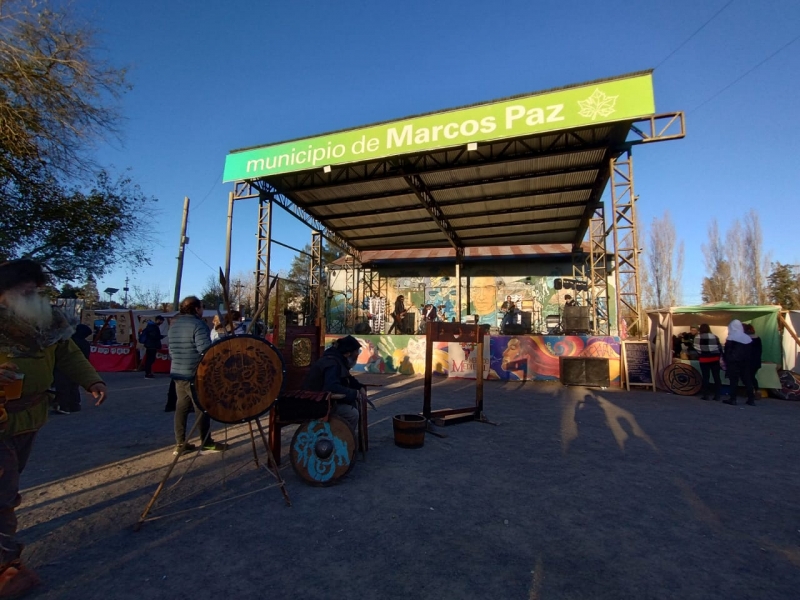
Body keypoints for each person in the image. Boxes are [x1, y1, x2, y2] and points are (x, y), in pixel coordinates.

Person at [0, 260, 107, 597]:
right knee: (2, 492)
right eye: (26, 290)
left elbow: (67, 352)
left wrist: (91, 380)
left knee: (8, 488)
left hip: (29, 416)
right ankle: (5, 566)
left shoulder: (47, 318)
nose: (35, 295)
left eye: (37, 289)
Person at [169, 296, 228, 454]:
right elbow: (205, 350)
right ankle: (206, 442)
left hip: (177, 372)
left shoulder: (174, 325)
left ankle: (180, 444)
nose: (202, 310)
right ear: (196, 309)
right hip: (194, 373)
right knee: (201, 407)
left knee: (181, 407)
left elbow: (171, 349)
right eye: (201, 307)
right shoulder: (197, 324)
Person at [301, 335, 366, 439]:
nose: (357, 355)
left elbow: (347, 377)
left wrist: (359, 387)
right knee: (352, 414)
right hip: (316, 404)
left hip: (323, 402)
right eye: (356, 352)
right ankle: (341, 443)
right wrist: (354, 394)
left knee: (354, 405)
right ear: (348, 353)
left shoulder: (337, 359)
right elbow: (331, 387)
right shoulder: (332, 363)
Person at [52, 324, 94, 413]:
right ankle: (75, 404)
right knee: (74, 387)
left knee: (63, 387)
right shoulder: (85, 343)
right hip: (78, 369)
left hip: (64, 368)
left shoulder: (72, 342)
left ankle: (63, 406)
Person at [722, 320, 756, 406]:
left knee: (733, 381)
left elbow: (727, 352)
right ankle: (751, 399)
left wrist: (727, 361)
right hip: (745, 363)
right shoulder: (747, 338)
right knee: (747, 380)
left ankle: (733, 399)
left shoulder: (731, 337)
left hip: (733, 363)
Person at [694, 323, 722, 401]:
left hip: (704, 359)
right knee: (716, 377)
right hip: (715, 359)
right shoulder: (715, 337)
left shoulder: (697, 337)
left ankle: (706, 395)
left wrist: (702, 353)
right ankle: (717, 395)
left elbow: (696, 347)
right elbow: (719, 347)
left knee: (706, 377)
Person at [742, 323, 762, 399]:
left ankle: (750, 391)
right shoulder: (758, 338)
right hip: (756, 361)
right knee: (752, 376)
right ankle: (757, 390)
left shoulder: (746, 338)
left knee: (747, 377)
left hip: (748, 361)